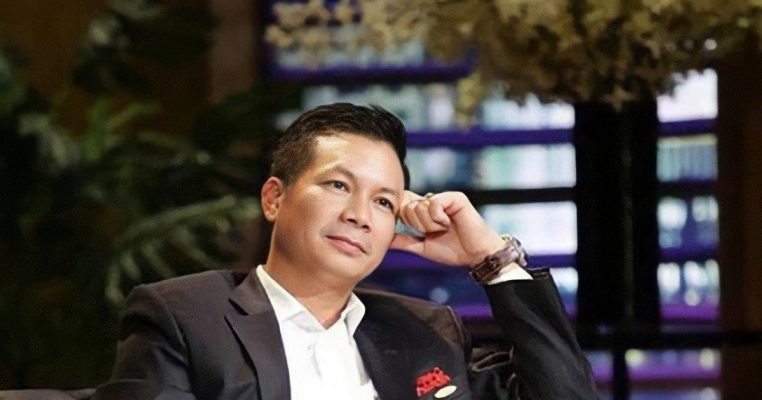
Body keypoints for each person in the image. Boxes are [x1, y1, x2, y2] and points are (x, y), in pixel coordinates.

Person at [93, 103, 597, 400]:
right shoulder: (185, 317)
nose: (360, 214)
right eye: (338, 185)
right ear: (274, 198)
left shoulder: (425, 332)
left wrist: (494, 261)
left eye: (383, 201)